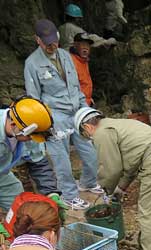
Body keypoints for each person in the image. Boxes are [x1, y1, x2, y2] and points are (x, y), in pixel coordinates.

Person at [74, 107, 151, 250]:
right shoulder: (118, 124)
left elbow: (111, 169)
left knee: (148, 214)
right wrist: (120, 188)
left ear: (87, 127)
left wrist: (106, 191)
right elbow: (132, 162)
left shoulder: (101, 133)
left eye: (85, 136)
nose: (89, 139)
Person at [25, 19, 103, 210]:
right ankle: (69, 195)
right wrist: (45, 124)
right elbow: (34, 99)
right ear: (38, 40)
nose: (52, 46)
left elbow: (75, 84)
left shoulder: (66, 55)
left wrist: (84, 109)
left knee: (90, 150)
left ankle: (87, 182)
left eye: (54, 41)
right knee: (61, 159)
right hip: (54, 115)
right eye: (47, 42)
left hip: (76, 110)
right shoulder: (32, 63)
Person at [0, 96, 65, 212]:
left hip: (2, 174)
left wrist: (51, 193)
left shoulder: (28, 130)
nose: (31, 139)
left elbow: (39, 163)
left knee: (21, 208)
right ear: (14, 125)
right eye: (30, 136)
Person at [69, 32, 94, 106]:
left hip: (86, 103)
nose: (85, 48)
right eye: (82, 44)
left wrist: (89, 99)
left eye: (87, 45)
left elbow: (84, 84)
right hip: (76, 106)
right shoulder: (70, 62)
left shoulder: (84, 61)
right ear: (75, 45)